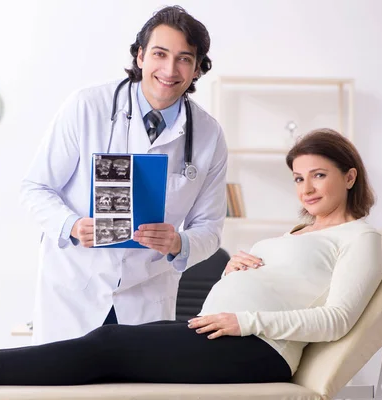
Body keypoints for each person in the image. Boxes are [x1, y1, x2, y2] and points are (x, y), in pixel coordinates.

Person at [0, 129, 382, 387]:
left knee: (109, 347)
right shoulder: (297, 233)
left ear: (349, 177)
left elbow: (336, 319)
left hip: (257, 350)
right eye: (298, 179)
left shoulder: (360, 239)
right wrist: (235, 268)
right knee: (108, 341)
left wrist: (246, 319)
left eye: (318, 176)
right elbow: (287, 284)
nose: (306, 188)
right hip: (220, 331)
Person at [20, 5, 227, 344]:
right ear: (141, 55)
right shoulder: (87, 107)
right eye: (160, 54)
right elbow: (35, 188)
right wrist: (71, 225)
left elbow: (210, 229)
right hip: (75, 290)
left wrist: (179, 242)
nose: (170, 69)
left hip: (147, 296)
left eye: (184, 58)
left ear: (197, 69)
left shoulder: (208, 135)